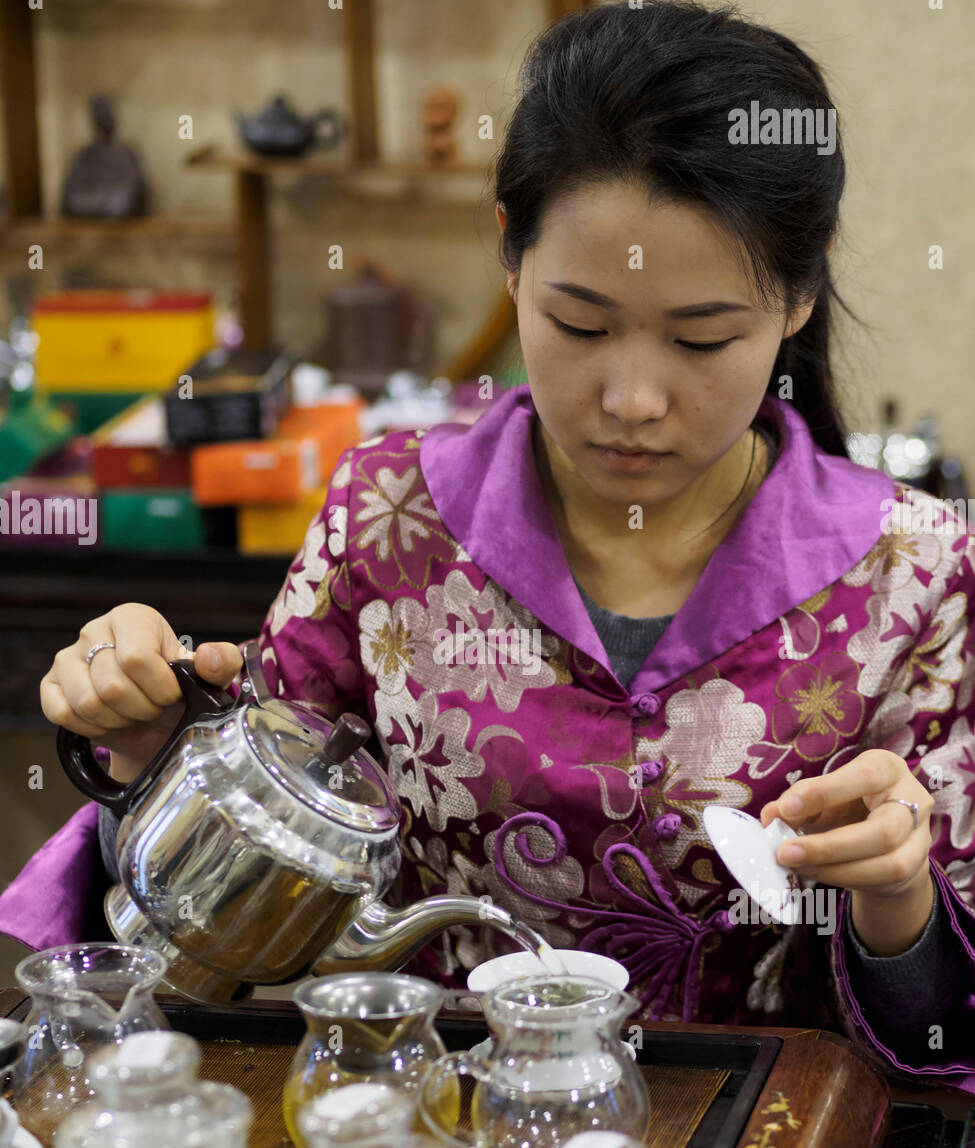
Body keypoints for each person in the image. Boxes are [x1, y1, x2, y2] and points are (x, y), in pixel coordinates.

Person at [4, 1, 974, 1091]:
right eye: (581, 325)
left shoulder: (907, 570)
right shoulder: (392, 518)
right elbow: (235, 872)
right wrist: (144, 736)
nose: (634, 399)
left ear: (800, 293)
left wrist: (896, 898)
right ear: (510, 256)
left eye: (704, 337)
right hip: (438, 1141)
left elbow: (944, 1029)